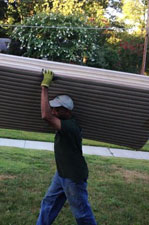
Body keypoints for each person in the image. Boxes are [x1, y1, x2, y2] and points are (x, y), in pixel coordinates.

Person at [36, 69, 97, 225]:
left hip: (73, 177)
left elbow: (45, 115)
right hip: (62, 173)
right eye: (54, 108)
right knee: (48, 204)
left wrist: (45, 86)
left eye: (57, 109)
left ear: (66, 110)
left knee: (82, 214)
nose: (54, 111)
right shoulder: (66, 122)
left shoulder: (70, 127)